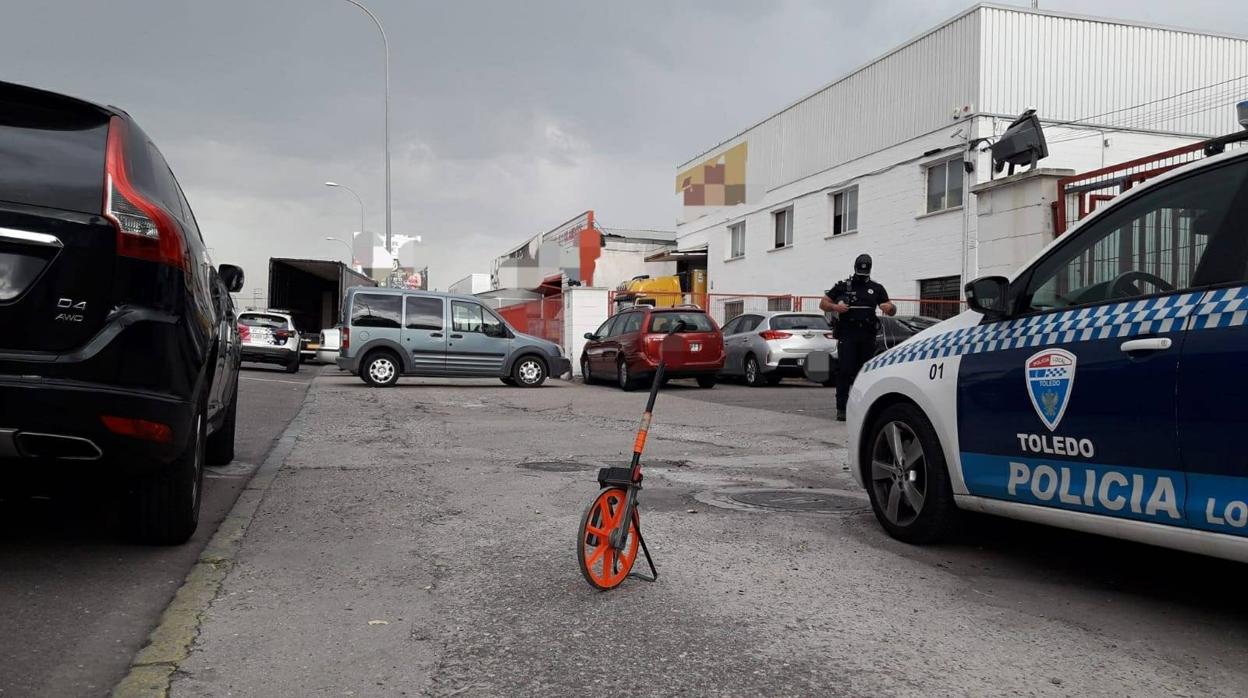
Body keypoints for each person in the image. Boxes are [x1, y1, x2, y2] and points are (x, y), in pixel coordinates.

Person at [820, 254, 896, 421]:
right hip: (848, 335)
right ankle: (842, 408)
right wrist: (835, 307)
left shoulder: (877, 288)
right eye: (860, 268)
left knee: (865, 373)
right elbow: (823, 303)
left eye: (865, 268)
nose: (863, 272)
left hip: (867, 336)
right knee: (845, 371)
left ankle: (864, 407)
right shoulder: (843, 286)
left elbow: (891, 307)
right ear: (855, 267)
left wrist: (888, 308)